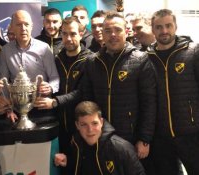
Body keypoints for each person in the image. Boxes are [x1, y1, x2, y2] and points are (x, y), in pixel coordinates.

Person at [80, 11, 156, 173]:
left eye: (117, 30)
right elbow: (87, 100)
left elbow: (149, 103)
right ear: (102, 33)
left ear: (126, 32)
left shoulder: (141, 60)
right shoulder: (92, 61)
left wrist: (144, 139)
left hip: (131, 137)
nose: (112, 35)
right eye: (108, 31)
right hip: (101, 135)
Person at [34, 16, 93, 167]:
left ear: (81, 34)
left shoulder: (90, 60)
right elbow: (54, 85)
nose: (68, 38)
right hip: (60, 125)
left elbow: (82, 92)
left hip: (82, 125)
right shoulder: (57, 59)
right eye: (65, 34)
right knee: (62, 167)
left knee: (82, 166)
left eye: (73, 34)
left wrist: (54, 102)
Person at [147, 9, 199, 175]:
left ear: (175, 26)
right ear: (153, 30)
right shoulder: (146, 58)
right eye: (159, 27)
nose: (164, 31)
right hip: (161, 136)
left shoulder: (193, 52)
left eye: (168, 25)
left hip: (191, 133)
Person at [0, 10, 60, 122]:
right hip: (17, 110)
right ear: (11, 27)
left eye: (26, 24)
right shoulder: (6, 51)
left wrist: (50, 87)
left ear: (31, 26)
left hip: (41, 107)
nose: (23, 28)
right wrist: (8, 109)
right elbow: (4, 82)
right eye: (18, 24)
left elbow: (55, 77)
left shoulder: (44, 48)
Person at [54, 101, 146, 175]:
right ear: (77, 125)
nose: (90, 130)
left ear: (101, 122)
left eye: (94, 123)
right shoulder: (76, 143)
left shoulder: (122, 148)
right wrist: (67, 161)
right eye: (84, 125)